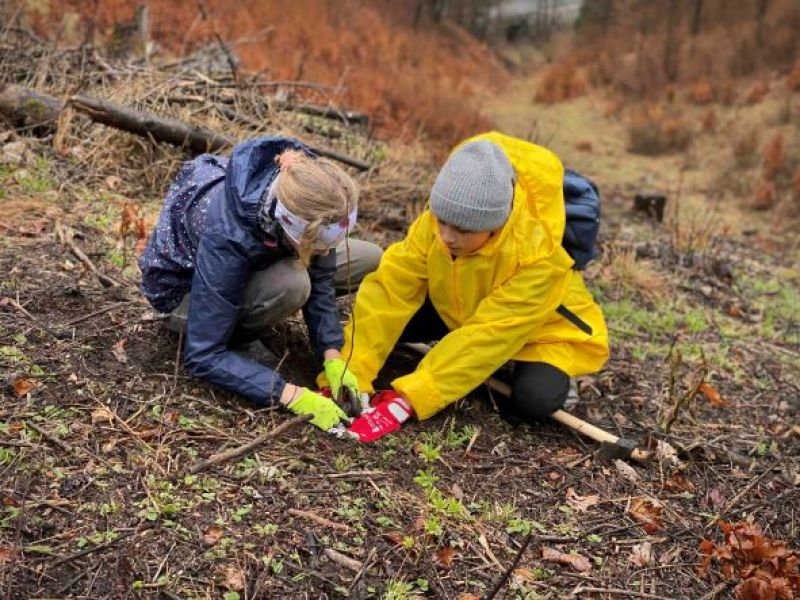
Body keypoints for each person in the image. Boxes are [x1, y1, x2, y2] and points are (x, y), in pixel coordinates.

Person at [334, 131, 610, 442]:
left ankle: (556, 373)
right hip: (462, 308)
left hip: (540, 332)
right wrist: (350, 370)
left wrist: (409, 399)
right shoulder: (436, 223)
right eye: (442, 222)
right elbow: (390, 292)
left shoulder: (538, 255)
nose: (448, 237)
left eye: (464, 229)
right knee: (395, 328)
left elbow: (488, 335)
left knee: (534, 401)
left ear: (496, 224)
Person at [139, 136, 382, 432]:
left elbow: (321, 275)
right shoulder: (226, 236)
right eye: (321, 244)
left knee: (369, 256)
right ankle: (239, 341)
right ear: (292, 228)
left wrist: (332, 354)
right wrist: (290, 394)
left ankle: (263, 301)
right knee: (294, 283)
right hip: (187, 293)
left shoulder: (307, 189)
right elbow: (202, 355)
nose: (327, 251)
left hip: (261, 252)